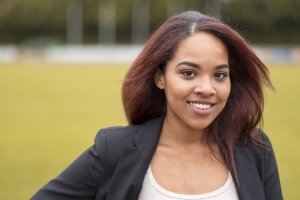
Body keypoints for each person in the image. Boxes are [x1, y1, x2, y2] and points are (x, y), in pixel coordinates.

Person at [31, 11, 283, 200]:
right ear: (160, 77)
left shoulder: (255, 148)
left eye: (219, 75)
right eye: (188, 73)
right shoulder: (115, 149)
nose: (206, 88)